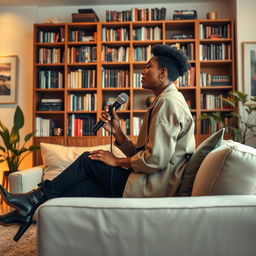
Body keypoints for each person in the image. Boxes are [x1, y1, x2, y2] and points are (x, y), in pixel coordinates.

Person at [0, 44, 195, 242]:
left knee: (88, 159)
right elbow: (143, 153)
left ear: (162, 73)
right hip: (147, 181)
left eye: (147, 67)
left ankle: (31, 201)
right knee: (81, 187)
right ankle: (31, 210)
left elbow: (155, 161)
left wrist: (117, 162)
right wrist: (117, 131)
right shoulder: (164, 100)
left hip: (153, 188)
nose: (142, 72)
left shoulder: (168, 103)